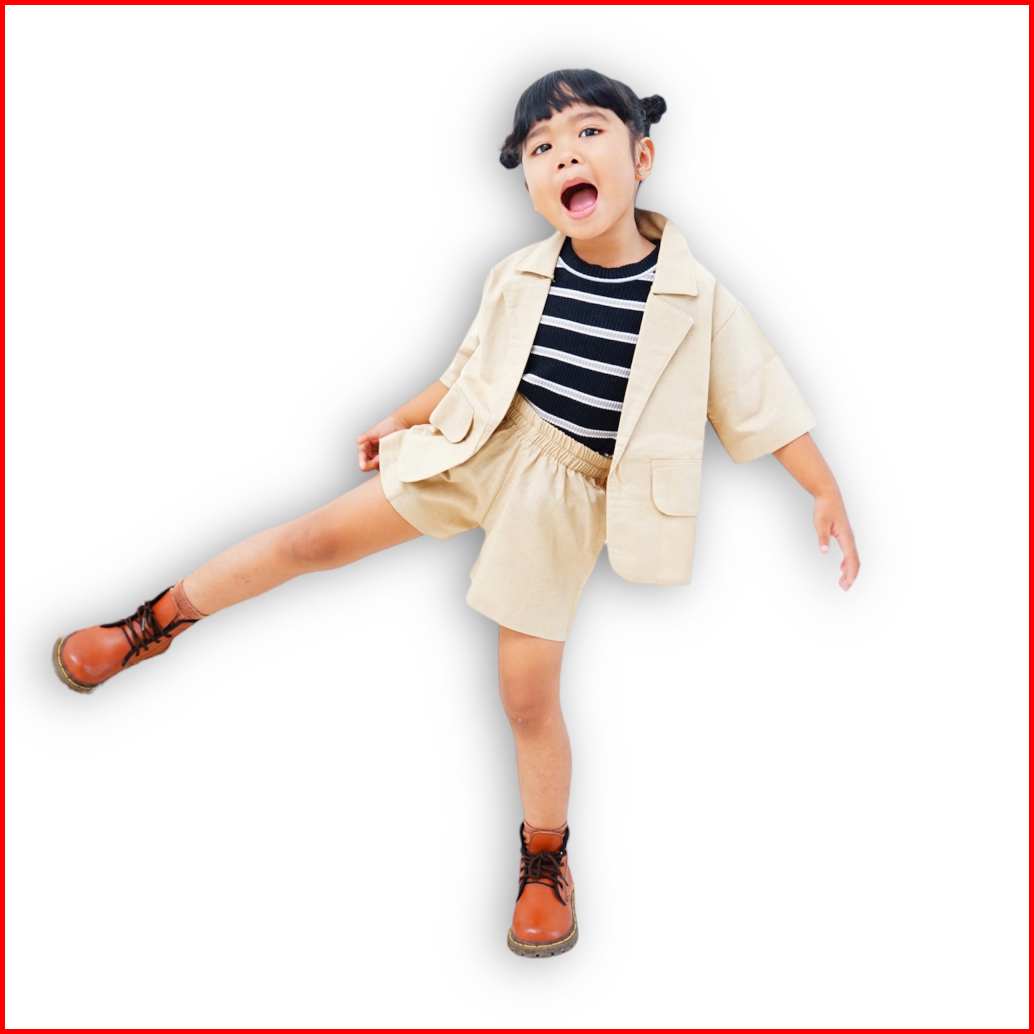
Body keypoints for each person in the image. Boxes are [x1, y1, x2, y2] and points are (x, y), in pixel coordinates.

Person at [51, 68, 860, 958]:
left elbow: (760, 402)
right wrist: (404, 417)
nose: (565, 156)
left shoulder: (700, 301)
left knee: (525, 693)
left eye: (589, 133)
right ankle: (154, 622)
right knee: (313, 538)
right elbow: (470, 369)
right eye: (542, 147)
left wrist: (821, 488)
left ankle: (545, 857)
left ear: (642, 157)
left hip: (565, 494)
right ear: (530, 181)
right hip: (482, 440)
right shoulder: (519, 272)